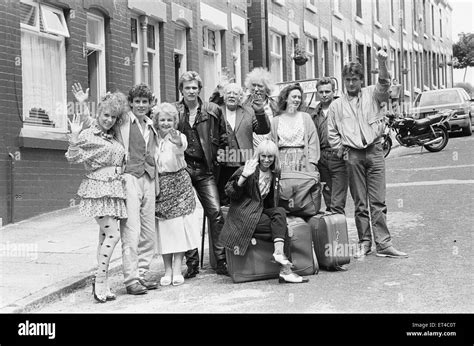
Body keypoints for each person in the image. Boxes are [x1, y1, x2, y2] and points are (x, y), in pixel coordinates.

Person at [71, 82, 161, 294]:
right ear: (130, 104)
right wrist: (83, 104)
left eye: (144, 102)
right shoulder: (122, 123)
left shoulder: (151, 124)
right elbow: (96, 123)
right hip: (127, 178)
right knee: (131, 231)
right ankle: (130, 280)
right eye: (136, 101)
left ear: (149, 104)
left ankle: (141, 273)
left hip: (148, 178)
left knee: (148, 232)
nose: (140, 105)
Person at [327, 49, 408, 259]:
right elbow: (332, 133)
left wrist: (382, 62)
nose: (351, 84)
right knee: (360, 202)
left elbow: (385, 82)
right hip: (352, 155)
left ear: (361, 80)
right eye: (347, 80)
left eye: (355, 79)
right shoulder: (336, 105)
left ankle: (384, 243)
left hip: (375, 151)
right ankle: (365, 242)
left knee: (378, 201)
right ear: (343, 81)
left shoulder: (373, 94)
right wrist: (342, 151)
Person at [65, 91, 128, 303]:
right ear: (99, 113)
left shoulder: (112, 135)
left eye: (113, 117)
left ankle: (104, 283)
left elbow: (97, 120)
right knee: (113, 235)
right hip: (97, 190)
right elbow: (72, 157)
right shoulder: (88, 135)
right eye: (106, 115)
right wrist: (74, 138)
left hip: (114, 189)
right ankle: (99, 279)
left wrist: (83, 104)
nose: (109, 120)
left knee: (103, 237)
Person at [219, 139, 309, 284]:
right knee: (282, 229)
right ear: (258, 156)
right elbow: (229, 192)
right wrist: (243, 177)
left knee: (280, 212)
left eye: (270, 157)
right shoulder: (248, 169)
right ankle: (285, 270)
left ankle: (279, 253)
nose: (266, 160)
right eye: (263, 156)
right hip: (244, 217)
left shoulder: (275, 172)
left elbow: (270, 202)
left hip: (259, 213)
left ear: (274, 157)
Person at [174, 71, 229, 278]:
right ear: (181, 89)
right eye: (187, 87)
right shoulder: (175, 111)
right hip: (183, 169)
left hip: (206, 169)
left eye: (194, 87)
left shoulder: (212, 110)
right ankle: (192, 262)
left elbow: (224, 137)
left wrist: (219, 159)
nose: (191, 91)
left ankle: (221, 260)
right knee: (186, 216)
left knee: (215, 212)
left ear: (199, 89)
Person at [152, 103, 201, 286]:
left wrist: (177, 141)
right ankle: (167, 270)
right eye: (162, 119)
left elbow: (182, 146)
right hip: (161, 184)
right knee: (164, 228)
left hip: (179, 183)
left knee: (179, 228)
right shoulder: (153, 138)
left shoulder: (178, 136)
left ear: (175, 121)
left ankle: (178, 268)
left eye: (170, 120)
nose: (166, 123)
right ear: (157, 121)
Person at [217, 82, 270, 205]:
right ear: (224, 96)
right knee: (223, 200)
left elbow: (263, 129)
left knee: (242, 199)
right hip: (222, 163)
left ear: (240, 97)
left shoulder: (249, 112)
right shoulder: (217, 110)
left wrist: (260, 112)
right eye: (228, 93)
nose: (231, 96)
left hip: (243, 163)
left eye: (235, 93)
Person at [312, 77, 348, 214]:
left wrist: (343, 150)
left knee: (337, 202)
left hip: (338, 157)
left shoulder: (342, 109)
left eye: (327, 91)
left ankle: (339, 234)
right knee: (328, 199)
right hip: (322, 159)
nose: (324, 94)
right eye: (321, 92)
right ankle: (333, 233)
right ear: (317, 93)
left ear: (334, 92)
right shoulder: (314, 114)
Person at [271, 83, 320, 173]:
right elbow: (273, 144)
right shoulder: (275, 121)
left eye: (299, 97)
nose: (297, 100)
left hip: (303, 163)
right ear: (285, 98)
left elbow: (313, 142)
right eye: (294, 97)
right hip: (282, 164)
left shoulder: (306, 118)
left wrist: (312, 163)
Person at [242, 67, 278, 149]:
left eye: (260, 86)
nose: (256, 89)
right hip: (250, 149)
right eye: (254, 85)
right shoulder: (243, 104)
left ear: (267, 88)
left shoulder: (275, 105)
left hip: (271, 149)